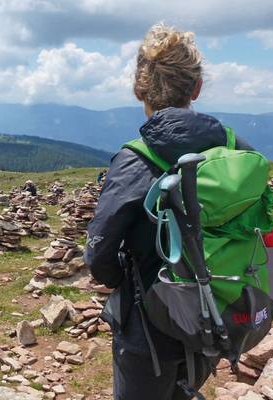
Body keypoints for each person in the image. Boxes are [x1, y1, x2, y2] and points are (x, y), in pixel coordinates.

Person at [84, 23, 254, 400]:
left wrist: (124, 282)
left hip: (151, 325)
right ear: (196, 88)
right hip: (217, 311)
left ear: (138, 89)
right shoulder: (233, 147)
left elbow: (99, 254)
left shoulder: (135, 160)